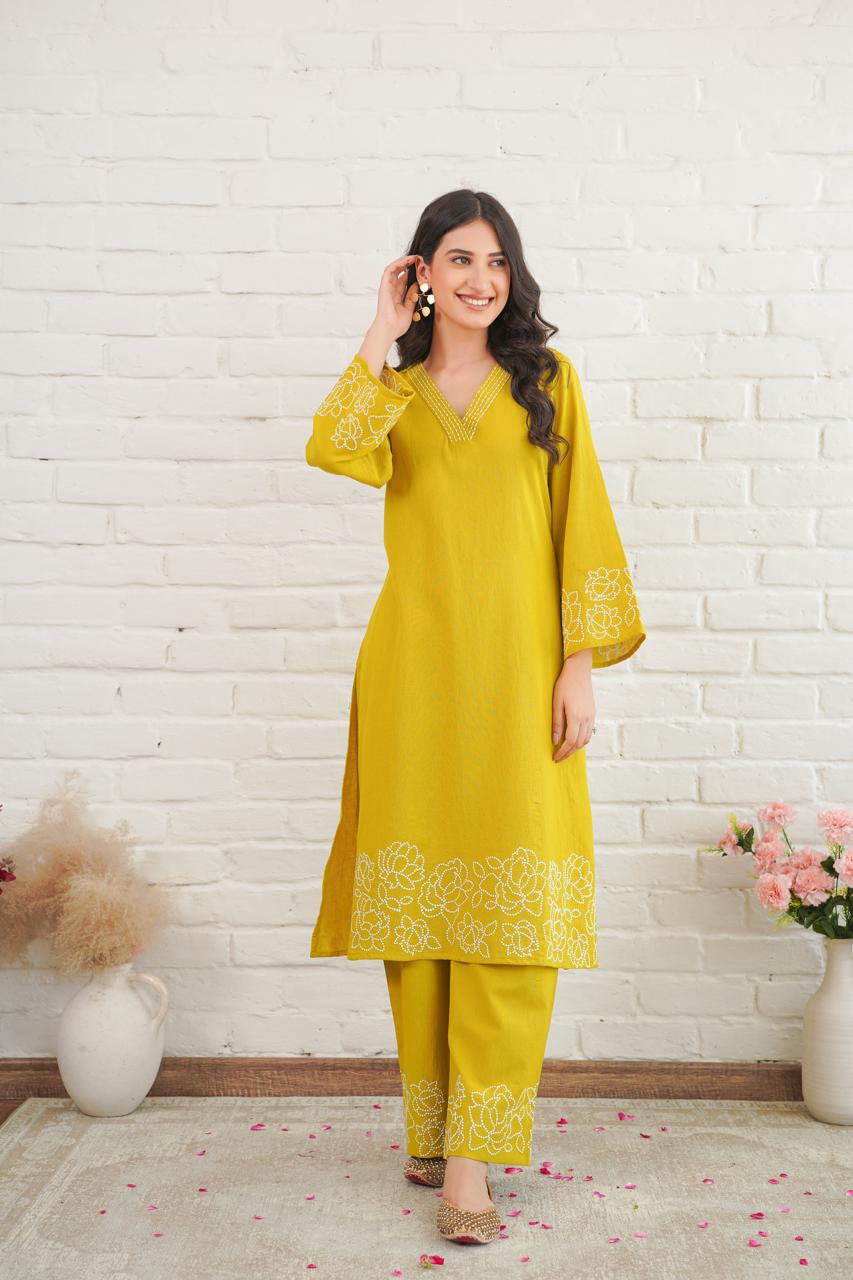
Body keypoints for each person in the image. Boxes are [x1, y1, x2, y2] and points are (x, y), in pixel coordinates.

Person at [304, 189, 646, 1246]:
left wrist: (577, 665)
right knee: (418, 923)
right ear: (421, 272)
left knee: (511, 917)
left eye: (496, 261)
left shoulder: (548, 381)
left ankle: (471, 1163)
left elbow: (583, 520)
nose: (480, 279)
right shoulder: (393, 392)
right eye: (457, 259)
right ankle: (431, 1128)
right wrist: (380, 328)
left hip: (519, 679)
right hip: (411, 678)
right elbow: (332, 449)